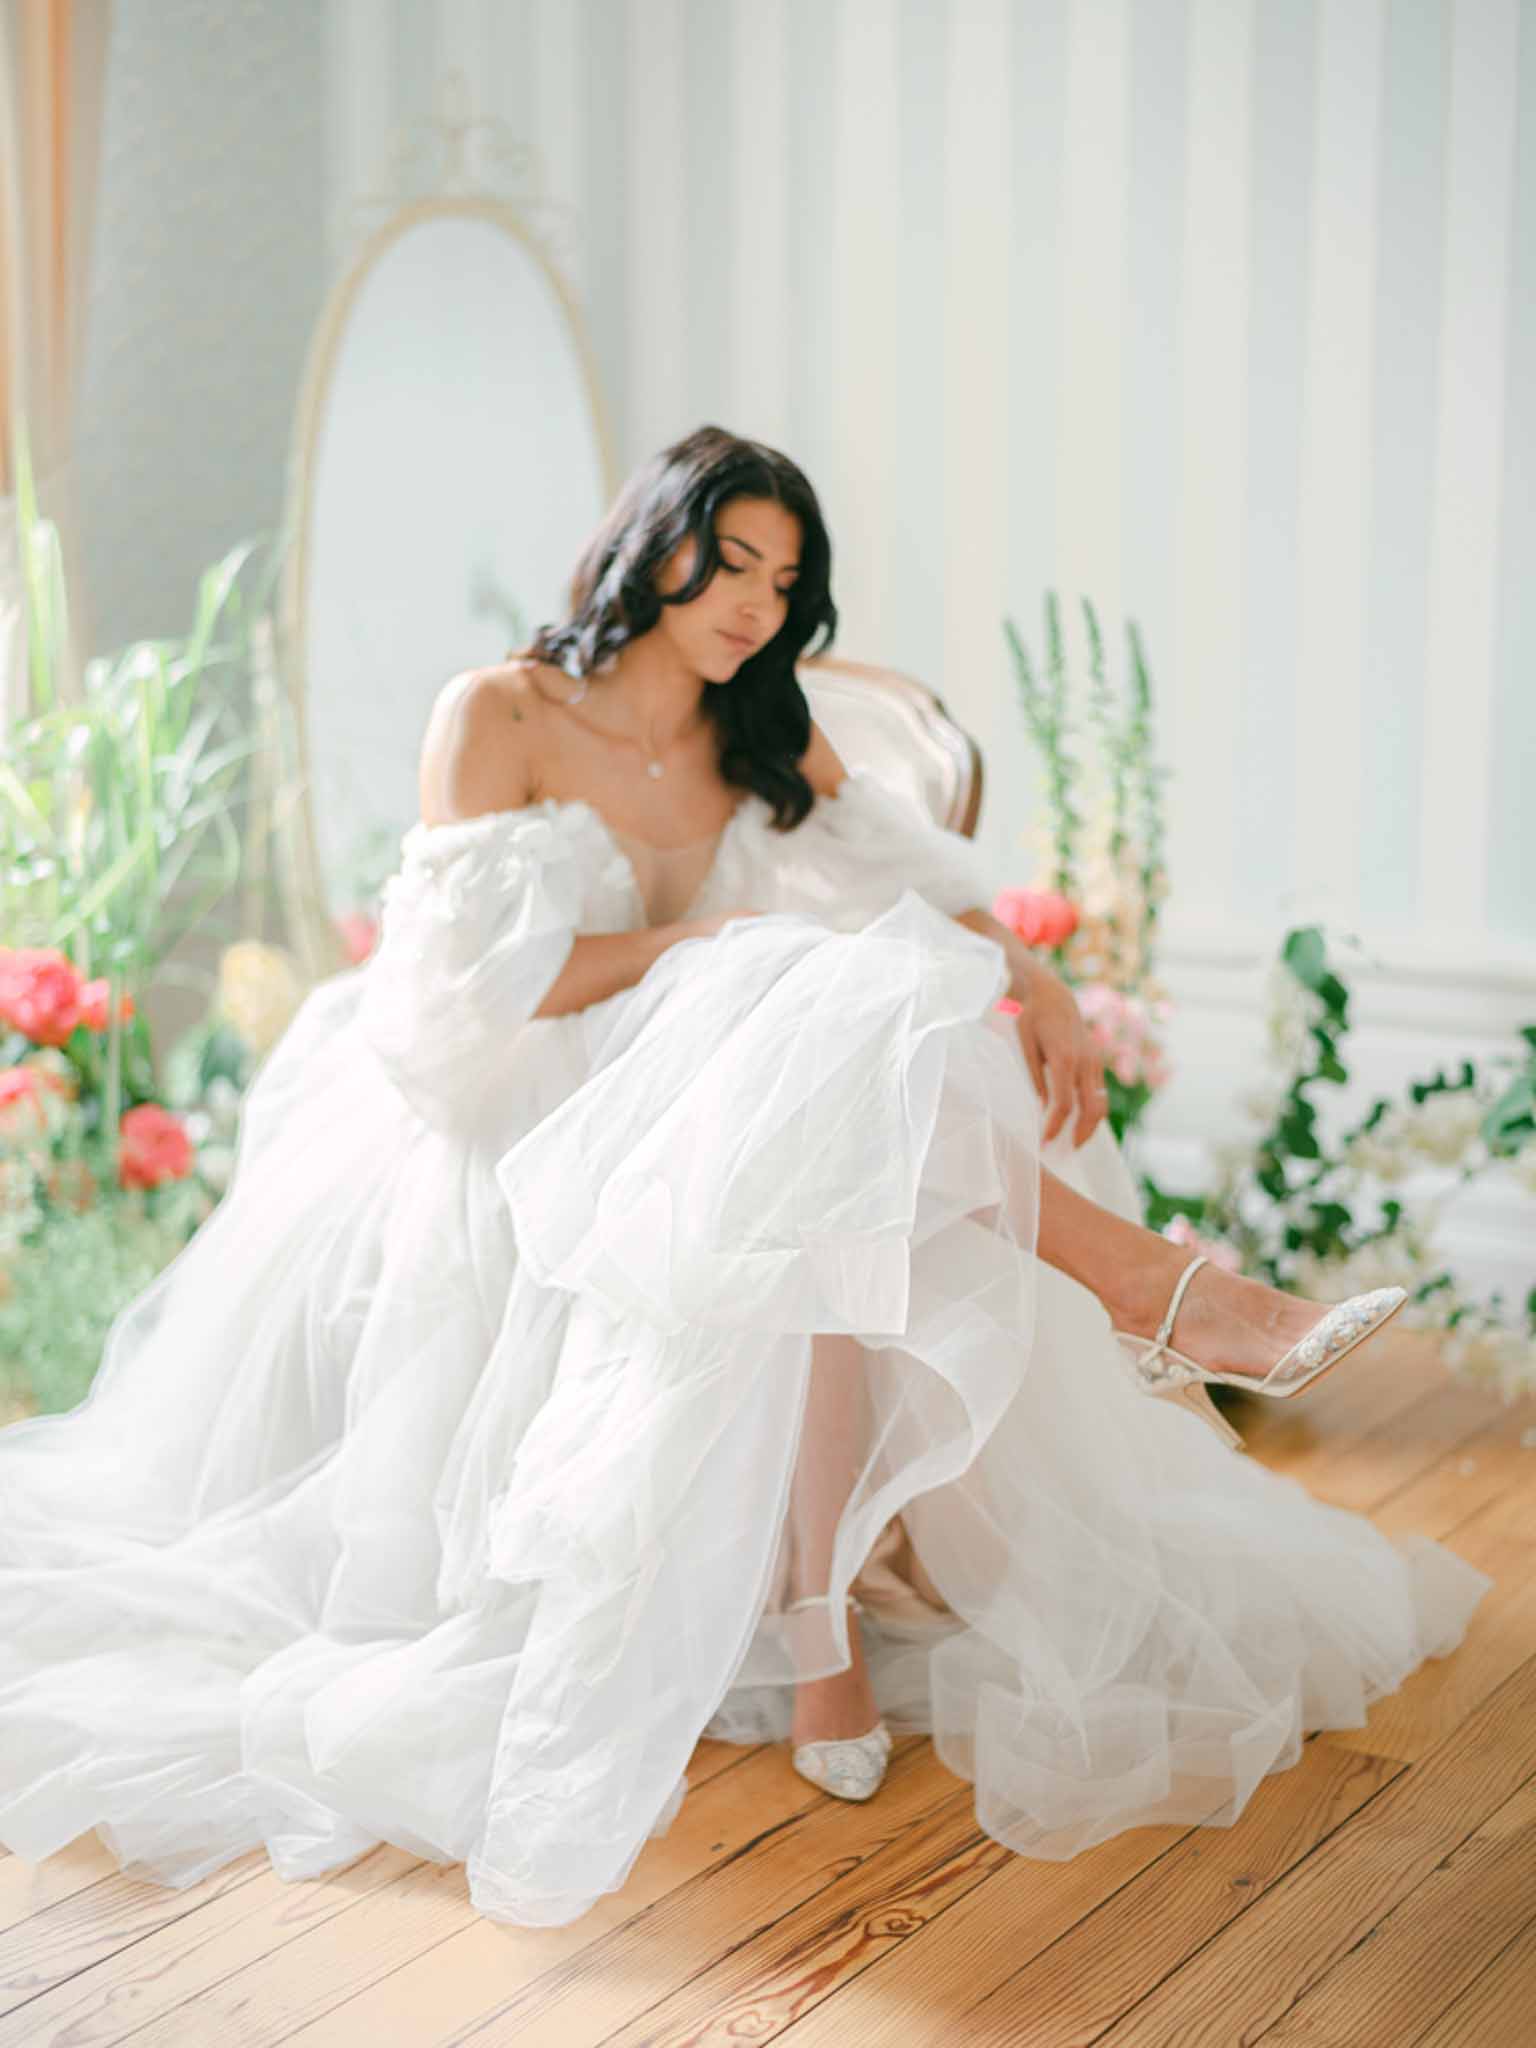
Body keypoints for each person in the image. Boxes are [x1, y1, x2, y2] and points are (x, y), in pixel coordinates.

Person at [0, 425, 1491, 1931]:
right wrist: (701, 953)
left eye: (786, 580)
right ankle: (1157, 1294)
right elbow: (462, 1004)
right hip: (512, 1098)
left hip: (697, 1106)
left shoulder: (759, 727)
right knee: (798, 1045)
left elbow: (916, 890)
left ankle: (840, 1603)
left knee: (831, 1119)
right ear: (654, 544)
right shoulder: (501, 713)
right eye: (732, 561)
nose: (755, 604)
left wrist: (1035, 986)